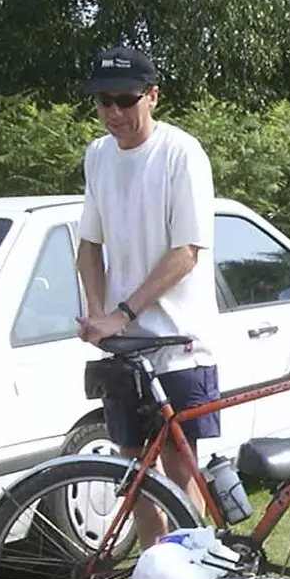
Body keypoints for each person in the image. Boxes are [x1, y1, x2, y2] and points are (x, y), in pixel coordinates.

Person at [75, 44, 220, 546]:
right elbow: (88, 245)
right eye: (102, 102)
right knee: (135, 479)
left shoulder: (181, 153)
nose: (113, 112)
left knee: (182, 476)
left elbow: (186, 252)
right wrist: (97, 313)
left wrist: (122, 311)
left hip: (180, 344)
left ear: (152, 96)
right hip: (126, 348)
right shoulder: (97, 156)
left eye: (125, 100)